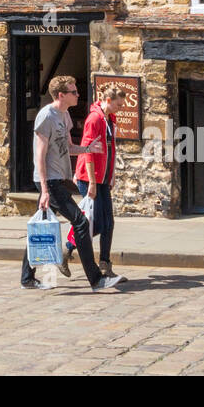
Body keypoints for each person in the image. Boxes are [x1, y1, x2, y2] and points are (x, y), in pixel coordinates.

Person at [21, 75, 125, 292]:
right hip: (49, 180)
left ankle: (27, 278)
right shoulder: (46, 116)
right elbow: (39, 155)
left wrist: (88, 149)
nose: (78, 95)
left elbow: (69, 147)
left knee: (40, 225)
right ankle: (96, 279)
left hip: (58, 179)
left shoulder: (65, 115)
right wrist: (44, 189)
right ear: (61, 95)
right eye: (74, 92)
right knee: (81, 223)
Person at [63, 83, 126, 281]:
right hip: (89, 177)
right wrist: (91, 182)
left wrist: (112, 174)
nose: (120, 108)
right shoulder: (94, 119)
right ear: (108, 101)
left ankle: (104, 265)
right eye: (118, 105)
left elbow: (110, 150)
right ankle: (68, 250)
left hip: (103, 178)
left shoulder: (109, 118)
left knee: (107, 223)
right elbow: (88, 150)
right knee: (98, 222)